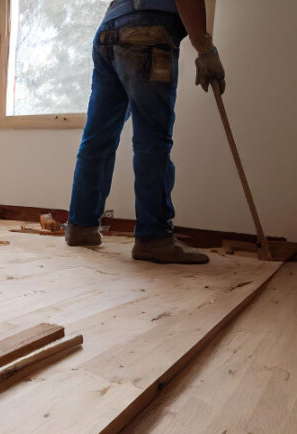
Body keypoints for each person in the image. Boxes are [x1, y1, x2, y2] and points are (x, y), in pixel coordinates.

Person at [65, 0, 225, 264]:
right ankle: (154, 239)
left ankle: (81, 227)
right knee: (153, 140)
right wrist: (205, 48)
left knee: (98, 139)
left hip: (107, 32)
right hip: (147, 33)